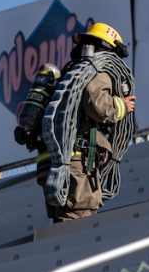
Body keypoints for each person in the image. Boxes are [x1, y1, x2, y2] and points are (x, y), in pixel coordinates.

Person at [34, 23, 136, 223]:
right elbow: (98, 105)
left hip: (53, 163)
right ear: (108, 49)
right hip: (77, 164)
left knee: (64, 220)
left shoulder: (68, 76)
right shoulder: (97, 71)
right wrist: (121, 105)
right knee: (78, 225)